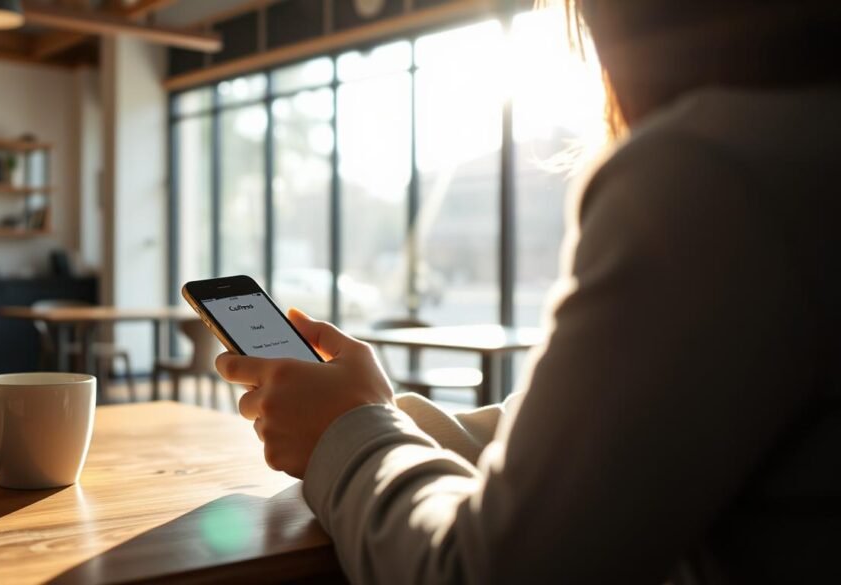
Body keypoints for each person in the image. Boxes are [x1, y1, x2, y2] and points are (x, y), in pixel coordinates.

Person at [215, 0, 841, 582]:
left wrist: (344, 437)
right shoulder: (797, 146)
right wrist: (369, 412)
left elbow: (482, 569)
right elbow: (595, 444)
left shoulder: (712, 175)